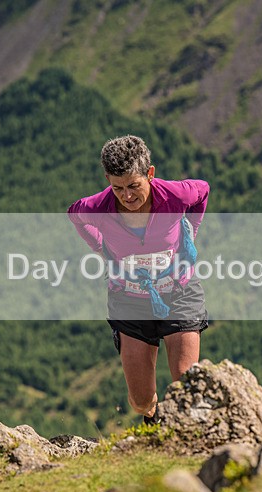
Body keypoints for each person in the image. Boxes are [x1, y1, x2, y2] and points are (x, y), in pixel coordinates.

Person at [68, 135, 209, 424]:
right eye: (117, 188)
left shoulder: (175, 196)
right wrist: (101, 247)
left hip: (178, 293)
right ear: (107, 178)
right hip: (129, 301)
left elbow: (203, 192)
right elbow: (75, 215)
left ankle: (183, 443)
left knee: (187, 384)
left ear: (150, 174)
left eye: (134, 185)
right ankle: (153, 422)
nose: (127, 196)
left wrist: (190, 231)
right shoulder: (98, 208)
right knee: (141, 401)